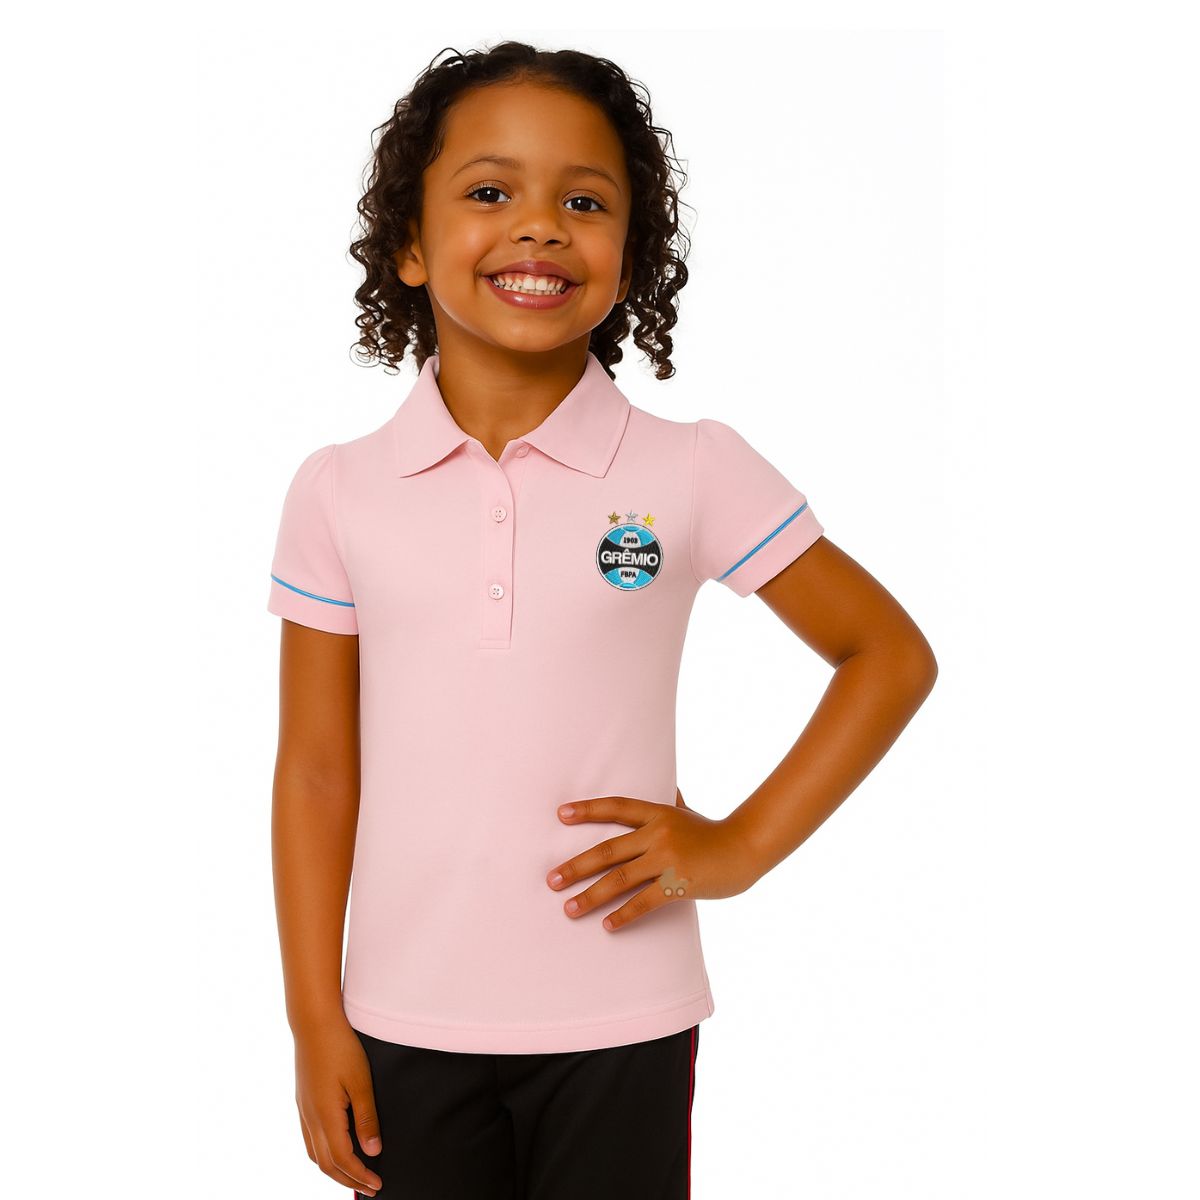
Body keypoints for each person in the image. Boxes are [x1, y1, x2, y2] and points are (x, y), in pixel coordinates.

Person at [267, 40, 936, 1200]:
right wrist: (314, 1021)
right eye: (490, 192)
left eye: (584, 202)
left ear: (630, 259)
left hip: (624, 1018)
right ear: (411, 245)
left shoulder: (692, 468)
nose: (539, 227)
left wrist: (737, 849)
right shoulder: (338, 491)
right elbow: (318, 772)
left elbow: (887, 655)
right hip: (400, 1019)